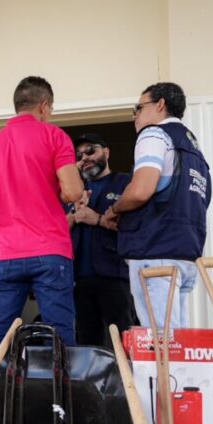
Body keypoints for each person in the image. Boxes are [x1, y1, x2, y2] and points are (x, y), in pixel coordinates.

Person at [0, 76, 84, 345]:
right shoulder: (54, 136)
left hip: (7, 255)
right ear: (44, 106)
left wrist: (14, 197)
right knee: (58, 332)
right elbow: (72, 192)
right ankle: (58, 388)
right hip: (50, 251)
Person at [101, 82, 212, 329]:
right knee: (178, 343)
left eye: (139, 107)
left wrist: (116, 209)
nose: (135, 116)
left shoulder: (153, 135)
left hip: (156, 251)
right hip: (186, 252)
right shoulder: (193, 149)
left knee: (161, 342)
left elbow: (141, 191)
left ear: (160, 104)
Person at [66, 133, 136, 346]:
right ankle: (91, 381)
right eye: (78, 155)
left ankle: (128, 380)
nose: (84, 158)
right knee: (87, 342)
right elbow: (54, 231)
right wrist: (74, 216)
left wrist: (96, 219)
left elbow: (135, 226)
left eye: (90, 151)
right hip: (78, 280)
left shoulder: (126, 183)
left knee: (123, 338)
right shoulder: (71, 192)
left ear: (106, 152)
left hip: (115, 276)